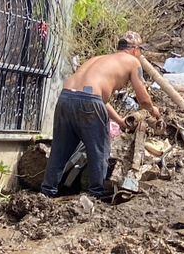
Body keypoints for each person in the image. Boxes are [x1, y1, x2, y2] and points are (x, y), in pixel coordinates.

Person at [40, 32, 162, 200]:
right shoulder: (133, 62)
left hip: (65, 98)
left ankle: (47, 192)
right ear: (134, 49)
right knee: (99, 149)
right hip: (89, 100)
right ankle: (95, 194)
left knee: (60, 149)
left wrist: (119, 120)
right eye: (141, 50)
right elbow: (143, 99)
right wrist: (153, 110)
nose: (141, 54)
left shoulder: (99, 60)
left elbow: (99, 99)